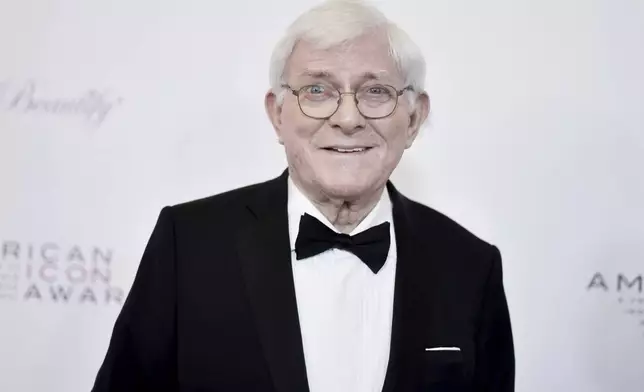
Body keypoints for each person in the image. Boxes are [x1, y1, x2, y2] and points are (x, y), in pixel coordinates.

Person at [91, 0, 515, 391]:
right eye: (317, 91)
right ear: (277, 114)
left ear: (414, 118)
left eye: (375, 92)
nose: (348, 118)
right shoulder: (188, 245)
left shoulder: (470, 268)